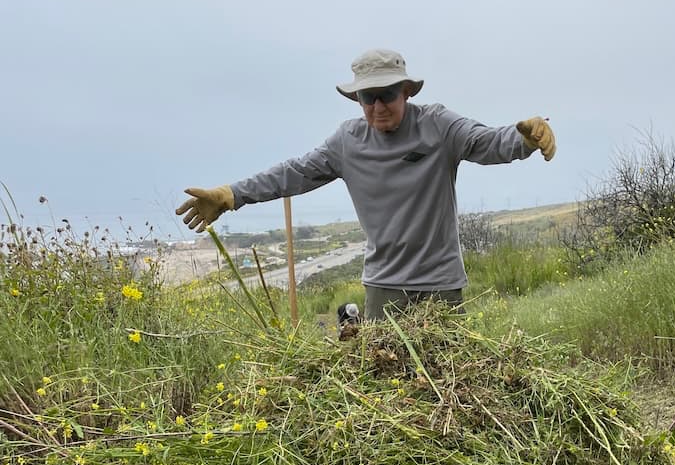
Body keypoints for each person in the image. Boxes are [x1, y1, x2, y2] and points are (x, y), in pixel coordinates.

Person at [176, 49, 557, 316]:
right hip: (383, 289)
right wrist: (233, 194)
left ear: (406, 91)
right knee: (388, 398)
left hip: (441, 287)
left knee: (448, 402)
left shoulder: (438, 126)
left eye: (386, 95)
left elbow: (486, 141)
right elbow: (294, 172)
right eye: (366, 97)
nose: (376, 107)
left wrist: (524, 139)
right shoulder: (348, 141)